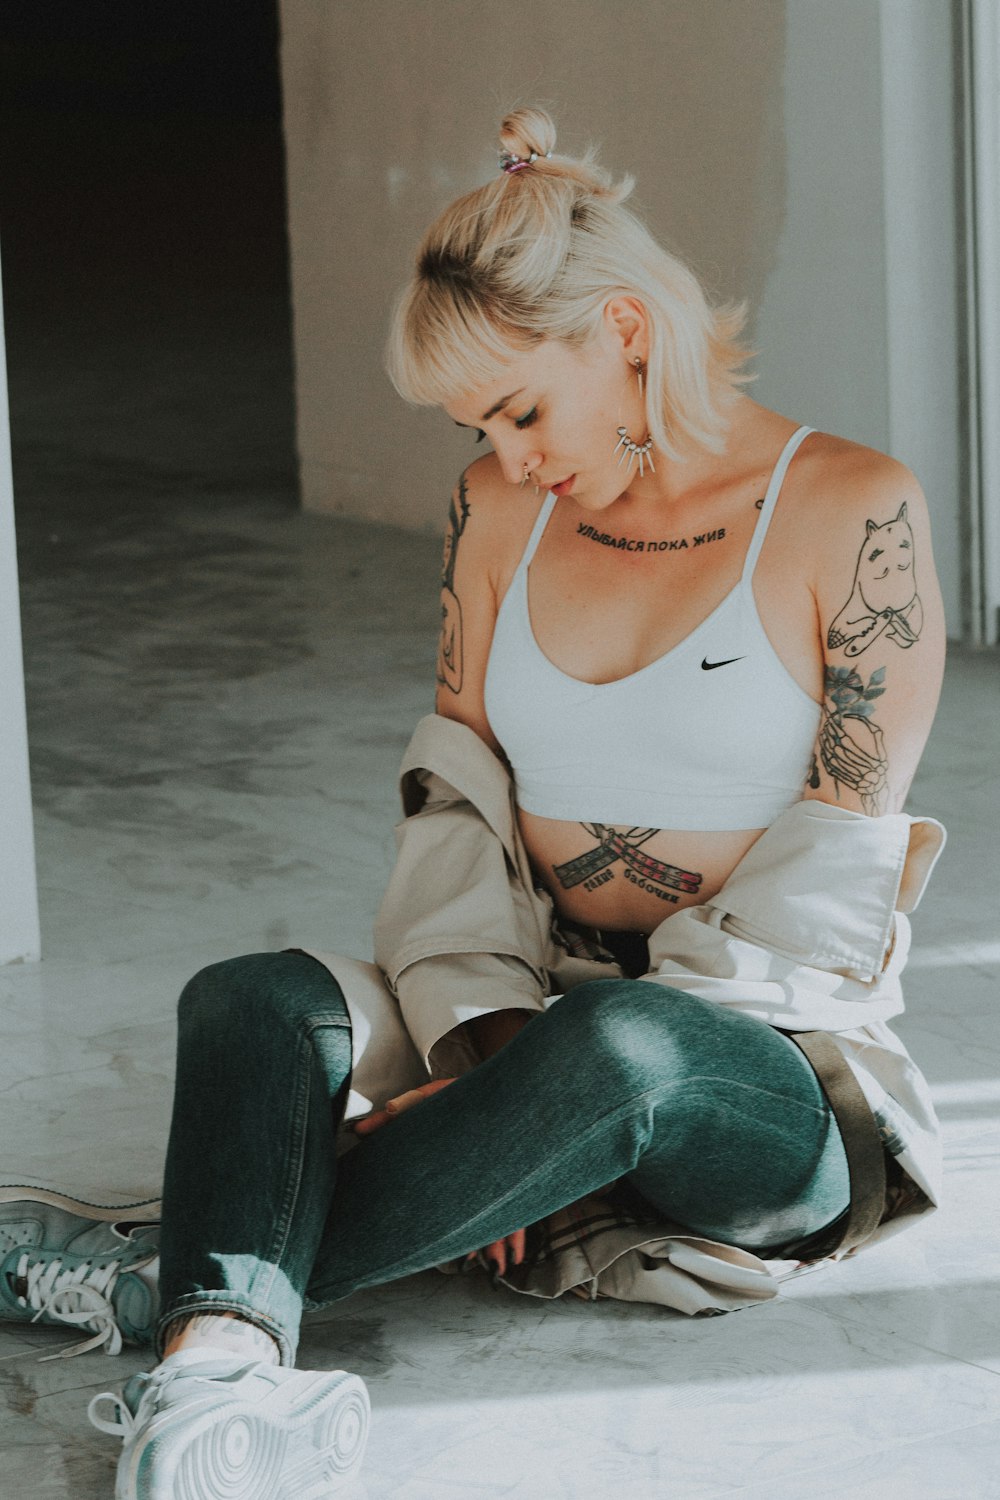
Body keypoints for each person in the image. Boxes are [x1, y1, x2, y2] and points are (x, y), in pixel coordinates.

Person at [1, 107, 947, 1499]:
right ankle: (215, 1375)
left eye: (520, 410)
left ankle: (170, 1275)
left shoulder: (853, 509)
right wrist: (488, 1063)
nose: (508, 459)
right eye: (477, 428)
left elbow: (833, 882)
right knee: (258, 998)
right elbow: (461, 798)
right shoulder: (499, 514)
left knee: (623, 1049)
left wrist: (541, 1092)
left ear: (622, 329)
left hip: (759, 1075)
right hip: (528, 1001)